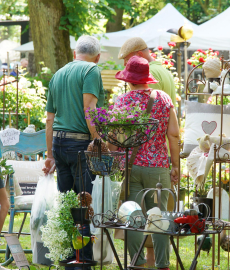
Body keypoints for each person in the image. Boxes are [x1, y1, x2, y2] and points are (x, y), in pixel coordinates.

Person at [109, 55, 179, 270]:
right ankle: (162, 265)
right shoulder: (164, 99)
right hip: (158, 167)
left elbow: (113, 137)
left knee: (132, 215)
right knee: (159, 218)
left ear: (129, 80)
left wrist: (115, 164)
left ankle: (137, 263)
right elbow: (174, 135)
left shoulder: (122, 102)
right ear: (147, 78)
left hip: (130, 168)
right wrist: (175, 165)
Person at [42, 35, 104, 269]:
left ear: (74, 52)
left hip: (58, 144)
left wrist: (49, 155)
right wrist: (97, 140)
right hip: (80, 145)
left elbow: (49, 119)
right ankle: (83, 258)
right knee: (83, 201)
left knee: (66, 200)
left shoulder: (58, 74)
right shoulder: (91, 71)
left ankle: (69, 254)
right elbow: (89, 108)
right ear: (97, 57)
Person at [118, 37, 176, 107]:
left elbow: (146, 109)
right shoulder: (162, 69)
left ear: (139, 55)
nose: (124, 64)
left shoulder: (148, 73)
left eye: (127, 59)